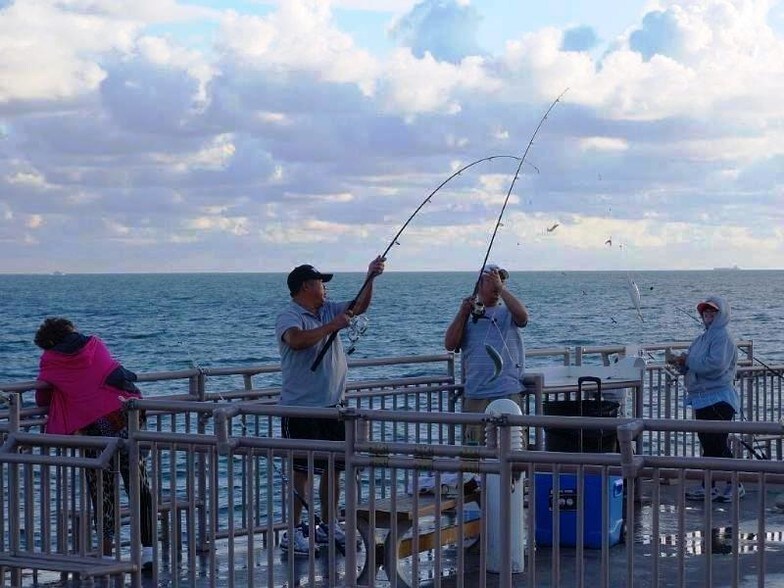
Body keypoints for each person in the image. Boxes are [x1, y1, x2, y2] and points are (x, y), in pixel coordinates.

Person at [275, 256, 385, 555]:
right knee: (302, 472)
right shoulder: (290, 316)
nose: (324, 288)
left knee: (334, 470)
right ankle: (293, 531)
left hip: (333, 406)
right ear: (305, 287)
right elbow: (296, 340)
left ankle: (328, 523)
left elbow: (358, 306)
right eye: (320, 283)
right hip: (301, 409)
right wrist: (332, 326)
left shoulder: (326, 310)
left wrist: (371, 277)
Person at [34, 317, 155, 569]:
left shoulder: (50, 359)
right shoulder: (95, 344)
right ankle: (149, 551)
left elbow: (41, 398)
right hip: (128, 413)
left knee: (102, 488)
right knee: (138, 482)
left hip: (95, 425)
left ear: (49, 343)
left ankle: (108, 553)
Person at [666, 296, 744, 502]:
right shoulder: (702, 338)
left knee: (717, 444)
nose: (708, 315)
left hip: (719, 399)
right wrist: (680, 363)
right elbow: (695, 364)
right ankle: (707, 485)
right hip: (702, 398)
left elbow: (715, 366)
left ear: (722, 314)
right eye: (705, 312)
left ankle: (735, 484)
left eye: (713, 312)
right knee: (709, 445)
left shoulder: (723, 337)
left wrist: (688, 360)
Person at [444, 264, 529, 446]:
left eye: (501, 280)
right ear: (479, 284)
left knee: (513, 449)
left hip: (507, 392)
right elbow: (450, 344)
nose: (498, 283)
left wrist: (501, 289)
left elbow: (523, 317)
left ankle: (514, 476)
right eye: (492, 280)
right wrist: (463, 312)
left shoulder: (508, 313)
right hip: (476, 394)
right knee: (476, 454)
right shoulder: (468, 316)